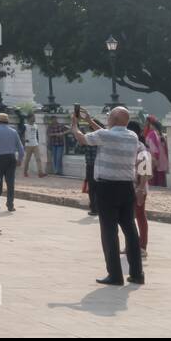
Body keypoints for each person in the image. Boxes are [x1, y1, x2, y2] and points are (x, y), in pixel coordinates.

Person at [70, 106, 143, 286]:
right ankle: (137, 274)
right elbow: (106, 133)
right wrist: (90, 120)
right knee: (130, 230)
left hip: (107, 187)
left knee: (109, 231)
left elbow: (82, 138)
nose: (108, 118)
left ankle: (115, 275)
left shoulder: (106, 136)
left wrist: (74, 125)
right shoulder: (132, 136)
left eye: (110, 116)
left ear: (115, 119)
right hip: (127, 188)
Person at [0, 112, 24, 212]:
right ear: (7, 122)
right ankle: (10, 204)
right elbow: (21, 148)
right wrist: (20, 159)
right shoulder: (13, 131)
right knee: (10, 183)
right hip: (11, 159)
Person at [126, 121, 152, 259]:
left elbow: (146, 171)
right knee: (127, 217)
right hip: (128, 186)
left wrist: (141, 189)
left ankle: (142, 246)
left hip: (139, 187)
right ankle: (130, 245)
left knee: (140, 216)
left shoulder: (142, 149)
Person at [76, 105, 103, 215]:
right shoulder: (103, 137)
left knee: (92, 187)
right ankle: (101, 207)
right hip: (101, 165)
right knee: (101, 187)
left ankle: (94, 208)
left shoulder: (87, 137)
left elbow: (78, 149)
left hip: (90, 165)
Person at [143, 115, 168, 187]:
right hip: (161, 158)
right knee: (160, 178)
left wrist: (155, 158)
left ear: (151, 124)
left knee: (153, 179)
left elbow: (153, 147)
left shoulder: (152, 134)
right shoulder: (160, 134)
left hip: (153, 157)